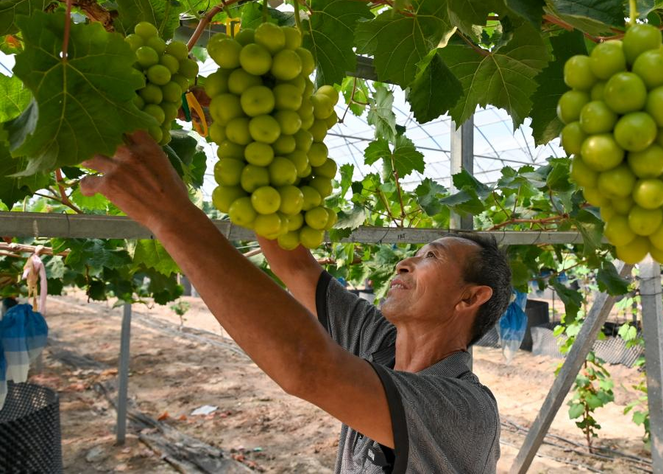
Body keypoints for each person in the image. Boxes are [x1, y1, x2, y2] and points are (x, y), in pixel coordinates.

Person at [81, 131, 513, 473]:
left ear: (470, 297)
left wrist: (168, 213)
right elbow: (296, 267)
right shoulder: (380, 343)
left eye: (431, 256)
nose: (404, 263)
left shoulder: (466, 411)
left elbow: (306, 365)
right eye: (414, 253)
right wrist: (250, 144)